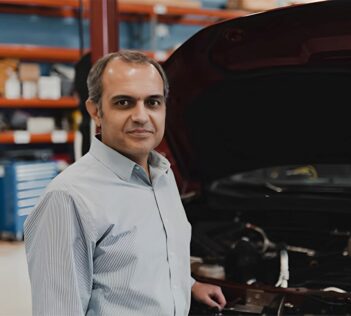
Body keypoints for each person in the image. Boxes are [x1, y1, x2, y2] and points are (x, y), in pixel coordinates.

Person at [24, 50, 226, 315]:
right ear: (96, 112)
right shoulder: (69, 198)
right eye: (124, 103)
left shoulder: (163, 176)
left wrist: (187, 285)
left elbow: (148, 259)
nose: (141, 116)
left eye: (153, 102)